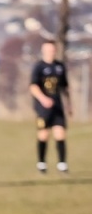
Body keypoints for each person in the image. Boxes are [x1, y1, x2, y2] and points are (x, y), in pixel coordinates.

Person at [29, 40, 71, 173]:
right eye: (48, 50)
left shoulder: (60, 66)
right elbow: (33, 86)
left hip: (57, 106)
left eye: (52, 50)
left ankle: (62, 164)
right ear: (43, 51)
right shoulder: (39, 67)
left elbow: (65, 88)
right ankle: (41, 163)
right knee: (43, 134)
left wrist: (69, 105)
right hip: (43, 108)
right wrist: (43, 99)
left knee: (60, 133)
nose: (50, 52)